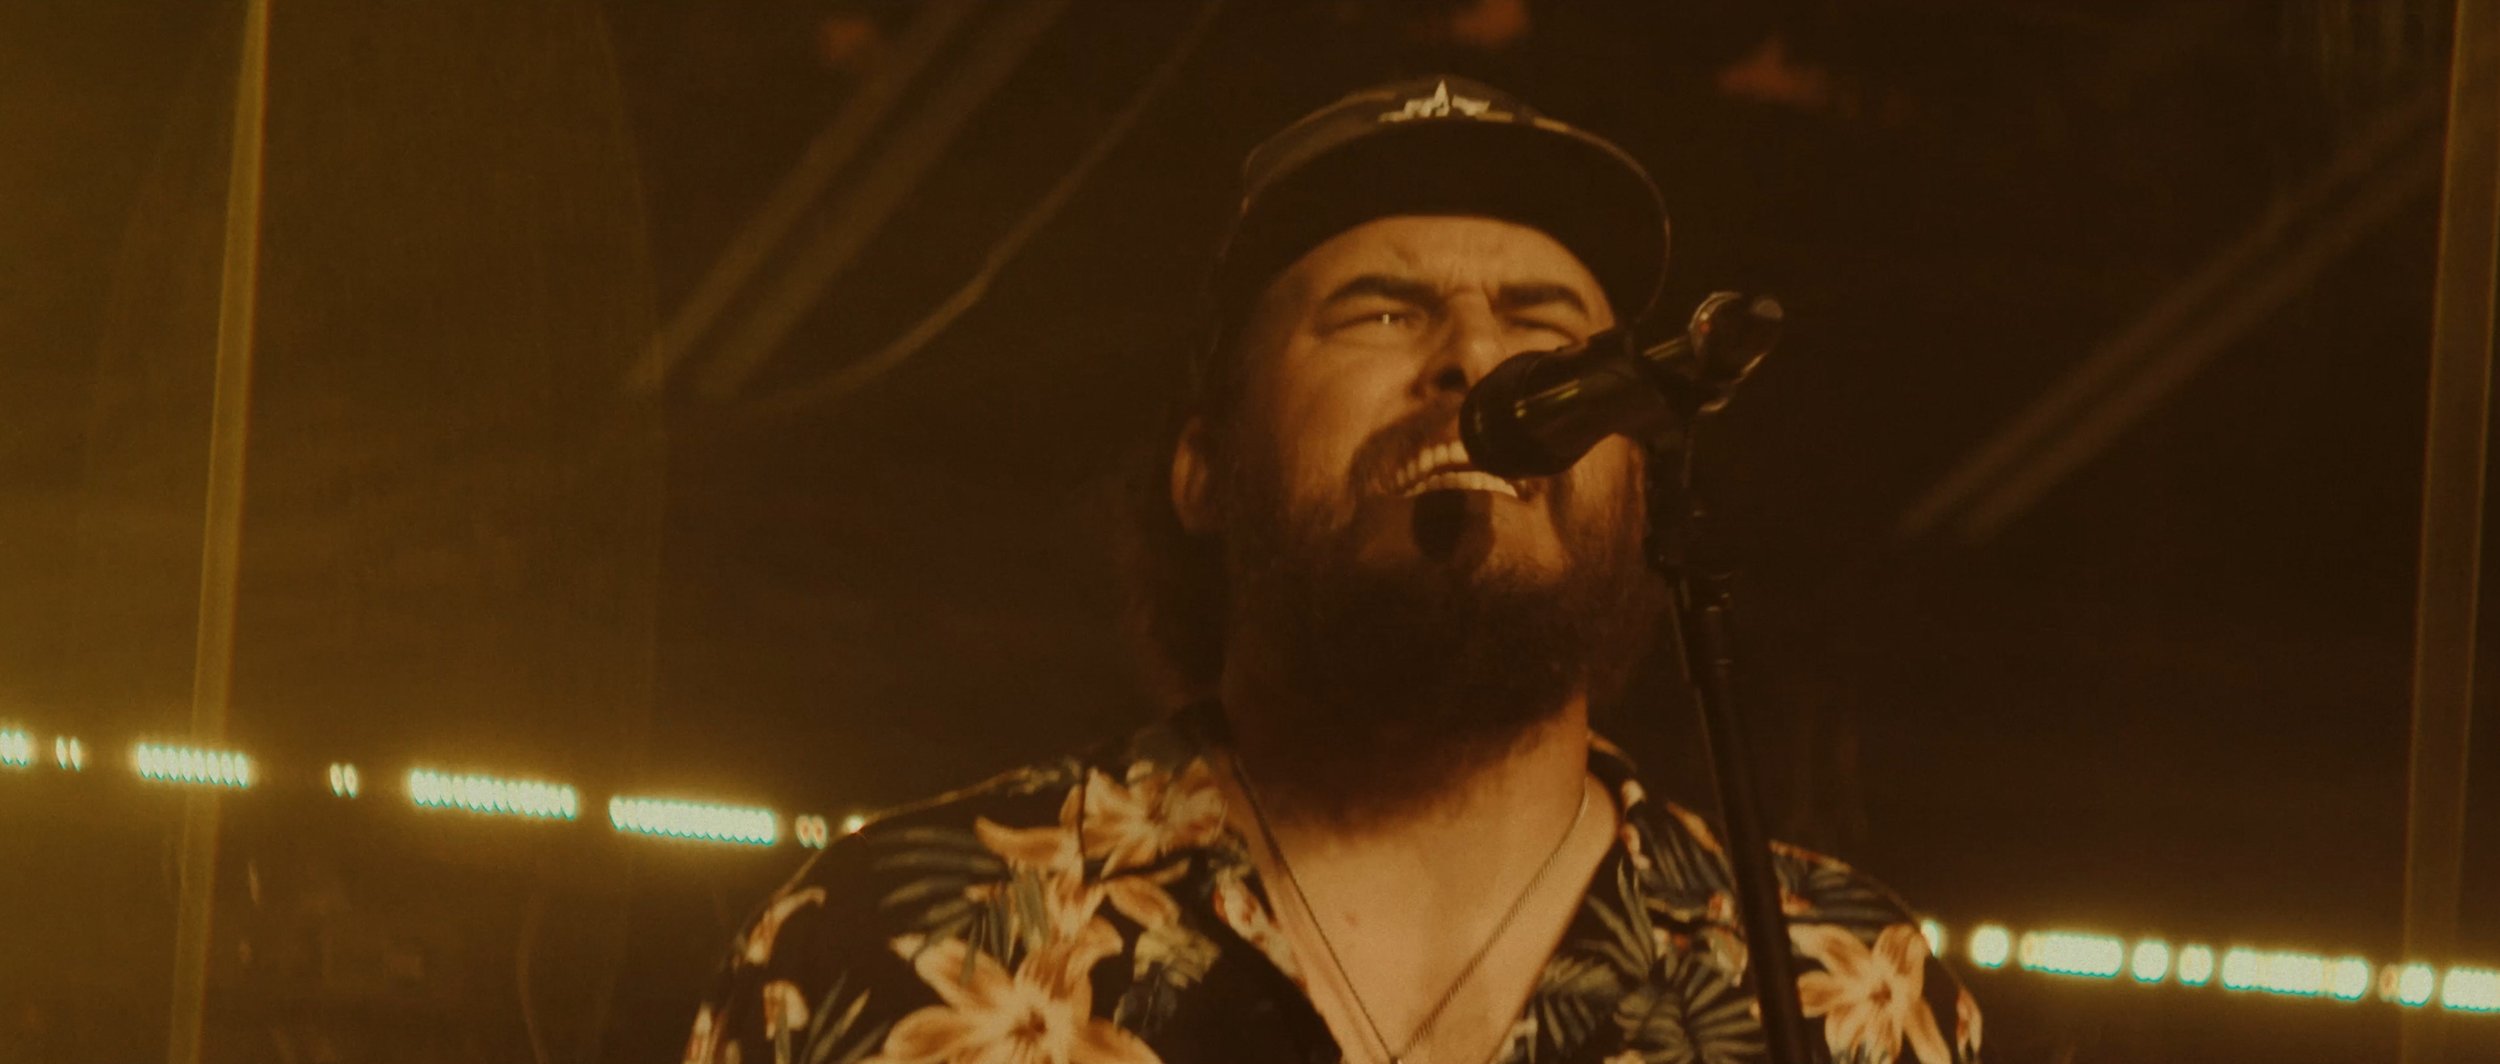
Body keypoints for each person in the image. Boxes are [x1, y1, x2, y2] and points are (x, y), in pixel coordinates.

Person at [684, 76, 1980, 1064]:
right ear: (1205, 469)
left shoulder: (1845, 981)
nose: (1479, 357)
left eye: (1544, 324)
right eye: (1382, 312)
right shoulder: (898, 938)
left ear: (1636, 481)